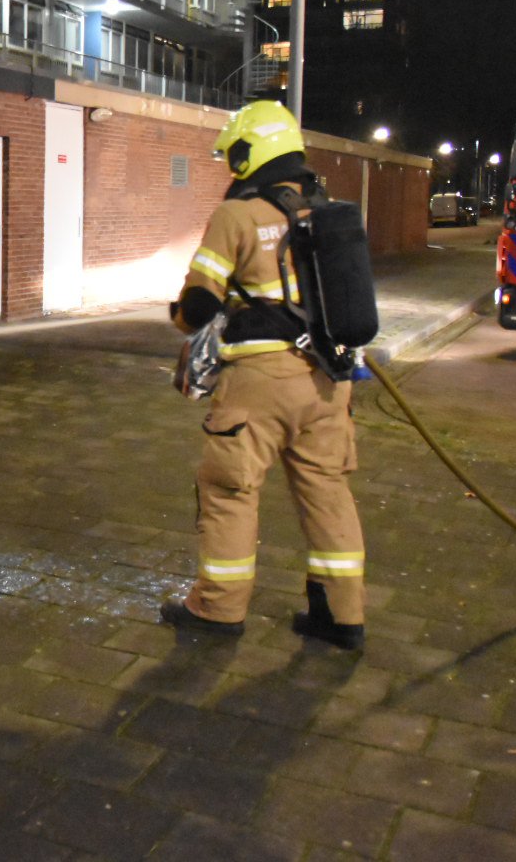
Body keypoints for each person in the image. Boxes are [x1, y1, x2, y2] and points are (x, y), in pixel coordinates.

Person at [162, 100, 367, 651]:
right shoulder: (324, 212)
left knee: (229, 489)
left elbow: (199, 305)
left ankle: (218, 610)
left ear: (254, 152)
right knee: (327, 491)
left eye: (236, 155)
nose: (233, 166)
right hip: (330, 379)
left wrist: (177, 316)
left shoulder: (239, 215)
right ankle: (341, 617)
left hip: (261, 382)